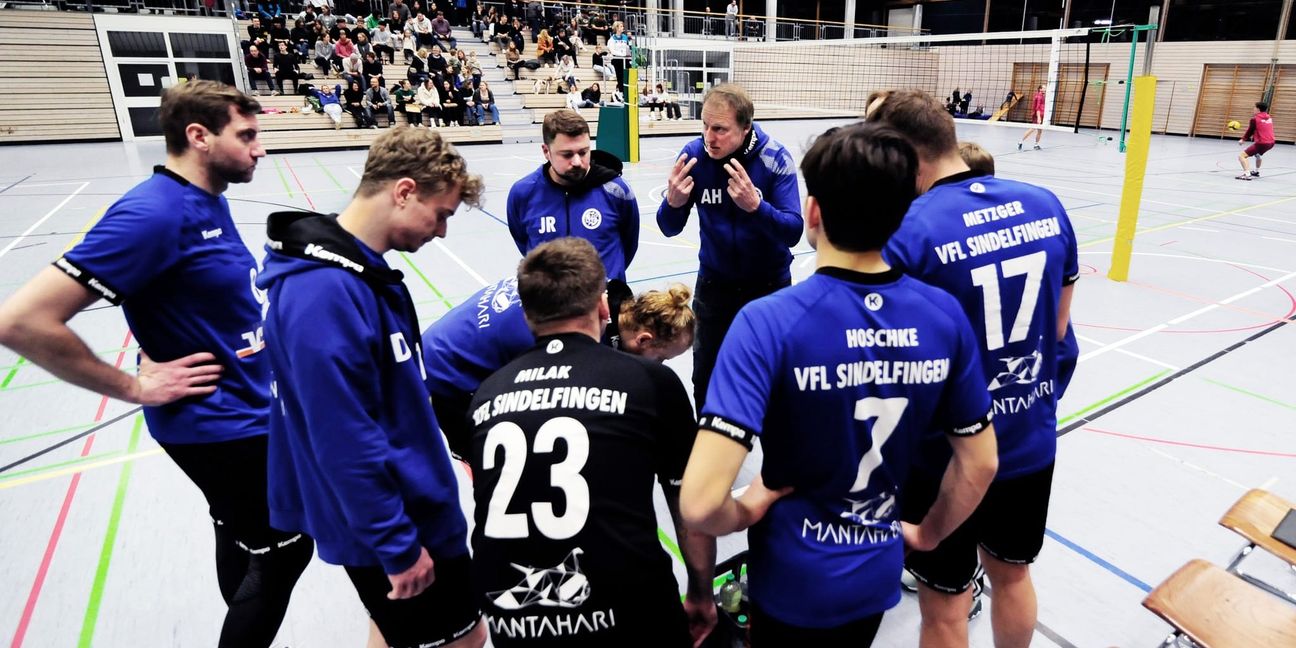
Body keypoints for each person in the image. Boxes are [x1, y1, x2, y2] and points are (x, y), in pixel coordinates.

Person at [0, 81, 313, 648]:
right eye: (246, 136)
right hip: (220, 426)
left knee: (241, 534)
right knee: (287, 548)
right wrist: (133, 386)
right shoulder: (152, 214)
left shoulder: (204, 197)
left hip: (243, 410)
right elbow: (21, 321)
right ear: (199, 136)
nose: (259, 149)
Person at [679, 121, 999, 648]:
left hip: (790, 576)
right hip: (874, 573)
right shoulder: (943, 316)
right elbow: (981, 461)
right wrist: (927, 534)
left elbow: (698, 503)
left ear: (813, 213)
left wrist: (744, 508)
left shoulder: (767, 323)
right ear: (901, 217)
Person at [257, 127, 488, 648]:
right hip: (399, 523)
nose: (443, 232)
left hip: (408, 510)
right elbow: (342, 439)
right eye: (443, 213)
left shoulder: (362, 275)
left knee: (393, 631)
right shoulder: (323, 293)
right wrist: (398, 545)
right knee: (465, 640)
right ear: (403, 191)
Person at [866, 89, 1078, 648]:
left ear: (903, 155)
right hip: (1027, 439)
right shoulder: (1045, 204)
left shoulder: (910, 232)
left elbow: (890, 367)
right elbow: (1057, 335)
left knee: (946, 605)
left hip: (945, 456)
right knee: (1012, 575)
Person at [467, 238, 717, 648]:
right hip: (626, 609)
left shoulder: (487, 393)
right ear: (604, 308)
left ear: (529, 316)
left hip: (512, 616)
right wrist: (701, 592)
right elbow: (690, 505)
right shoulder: (651, 382)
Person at [422, 273, 691, 455]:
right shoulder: (568, 335)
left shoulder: (599, 287)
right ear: (644, 340)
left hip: (442, 338)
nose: (662, 365)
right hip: (446, 376)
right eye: (663, 358)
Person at [656, 83, 802, 411]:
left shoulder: (774, 158)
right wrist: (673, 202)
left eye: (720, 129)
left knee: (773, 373)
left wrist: (757, 207)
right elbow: (668, 227)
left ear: (745, 127)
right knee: (705, 373)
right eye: (705, 126)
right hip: (715, 284)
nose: (710, 137)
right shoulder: (693, 156)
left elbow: (793, 231)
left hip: (769, 285)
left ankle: (774, 452)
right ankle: (709, 446)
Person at [507, 110, 640, 282]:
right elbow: (524, 244)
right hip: (550, 304)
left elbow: (628, 245)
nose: (577, 162)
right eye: (567, 154)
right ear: (546, 151)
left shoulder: (616, 190)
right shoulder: (523, 193)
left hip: (606, 302)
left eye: (583, 152)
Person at [1237, 101, 1276, 180]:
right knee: (1257, 154)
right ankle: (1256, 171)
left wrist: (1243, 139)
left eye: (1254, 107)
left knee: (1242, 156)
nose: (1253, 109)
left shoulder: (1254, 119)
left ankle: (1247, 174)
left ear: (1258, 109)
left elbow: (1250, 130)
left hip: (1262, 143)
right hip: (1271, 143)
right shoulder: (1269, 117)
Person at [1018, 84, 1045, 150]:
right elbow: (1037, 108)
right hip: (1037, 115)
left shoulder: (1042, 96)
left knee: (1040, 131)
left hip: (1041, 114)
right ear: (1040, 89)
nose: (1045, 89)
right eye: (1044, 88)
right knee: (1033, 128)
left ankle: (1036, 145)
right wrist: (1039, 117)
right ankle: (1020, 141)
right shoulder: (1039, 96)